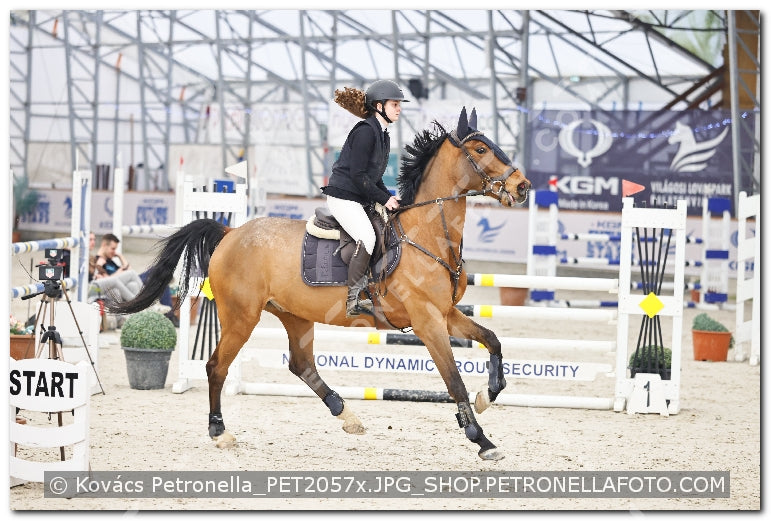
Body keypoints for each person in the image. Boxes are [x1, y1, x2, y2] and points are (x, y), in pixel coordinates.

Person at [322, 80, 407, 317]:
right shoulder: (365, 132)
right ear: (379, 106)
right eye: (394, 104)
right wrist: (384, 199)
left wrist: (389, 198)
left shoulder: (383, 134)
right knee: (367, 237)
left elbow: (374, 177)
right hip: (343, 197)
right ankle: (353, 298)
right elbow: (358, 175)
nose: (399, 108)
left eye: (399, 104)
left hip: (359, 197)